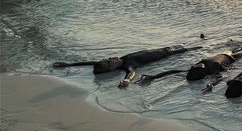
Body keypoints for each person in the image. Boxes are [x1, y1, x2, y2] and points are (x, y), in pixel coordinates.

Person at [53, 45, 198, 74]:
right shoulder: (127, 65)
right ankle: (197, 48)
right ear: (112, 68)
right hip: (165, 55)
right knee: (189, 49)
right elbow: (131, 73)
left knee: (178, 45)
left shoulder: (120, 61)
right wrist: (128, 80)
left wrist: (68, 64)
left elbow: (89, 63)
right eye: (110, 61)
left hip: (163, 48)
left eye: (108, 58)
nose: (112, 58)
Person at [138, 50, 242, 84]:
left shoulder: (198, 68)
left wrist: (154, 77)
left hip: (224, 54)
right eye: (198, 66)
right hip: (230, 58)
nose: (197, 64)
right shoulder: (213, 68)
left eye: (195, 65)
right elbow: (222, 76)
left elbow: (172, 71)